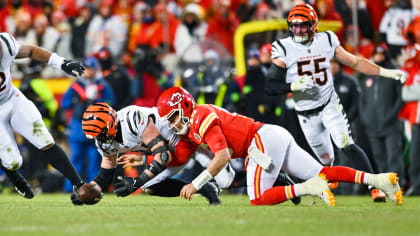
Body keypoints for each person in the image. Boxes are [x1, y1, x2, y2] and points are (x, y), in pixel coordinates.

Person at [154, 86, 403, 206]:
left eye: (174, 117)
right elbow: (195, 156)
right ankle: (380, 181)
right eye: (170, 121)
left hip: (260, 141)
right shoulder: (194, 124)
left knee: (258, 199)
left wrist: (195, 183)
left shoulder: (199, 116)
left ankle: (307, 187)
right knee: (324, 173)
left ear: (185, 107)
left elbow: (221, 156)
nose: (174, 124)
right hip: (269, 137)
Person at [264, 3, 407, 202]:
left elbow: (355, 62)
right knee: (326, 160)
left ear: (314, 25)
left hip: (328, 103)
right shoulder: (284, 48)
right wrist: (292, 86)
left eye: (303, 25)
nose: (298, 30)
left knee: (345, 143)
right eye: (294, 26)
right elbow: (270, 86)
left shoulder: (327, 40)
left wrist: (386, 72)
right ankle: (331, 178)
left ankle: (376, 187)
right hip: (305, 114)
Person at [70, 102, 228, 205]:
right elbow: (105, 174)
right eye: (96, 134)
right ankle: (206, 188)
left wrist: (136, 182)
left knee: (228, 178)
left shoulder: (131, 118)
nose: (100, 138)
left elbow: (163, 155)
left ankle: (207, 187)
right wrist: (88, 190)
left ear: (111, 123)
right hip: (170, 150)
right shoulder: (103, 141)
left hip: (182, 138)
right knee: (150, 186)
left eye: (101, 132)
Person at [0, 32, 88, 201]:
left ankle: (79, 183)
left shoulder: (6, 44)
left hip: (12, 99)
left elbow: (31, 51)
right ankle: (14, 177)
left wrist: (61, 63)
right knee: (13, 162)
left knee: (44, 139)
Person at [61, 56, 115, 192]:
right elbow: (64, 103)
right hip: (78, 126)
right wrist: (78, 99)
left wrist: (98, 100)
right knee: (75, 160)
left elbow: (111, 103)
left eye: (91, 69)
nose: (88, 72)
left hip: (96, 127)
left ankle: (95, 188)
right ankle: (71, 188)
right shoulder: (76, 85)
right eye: (86, 69)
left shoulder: (102, 85)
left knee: (95, 160)